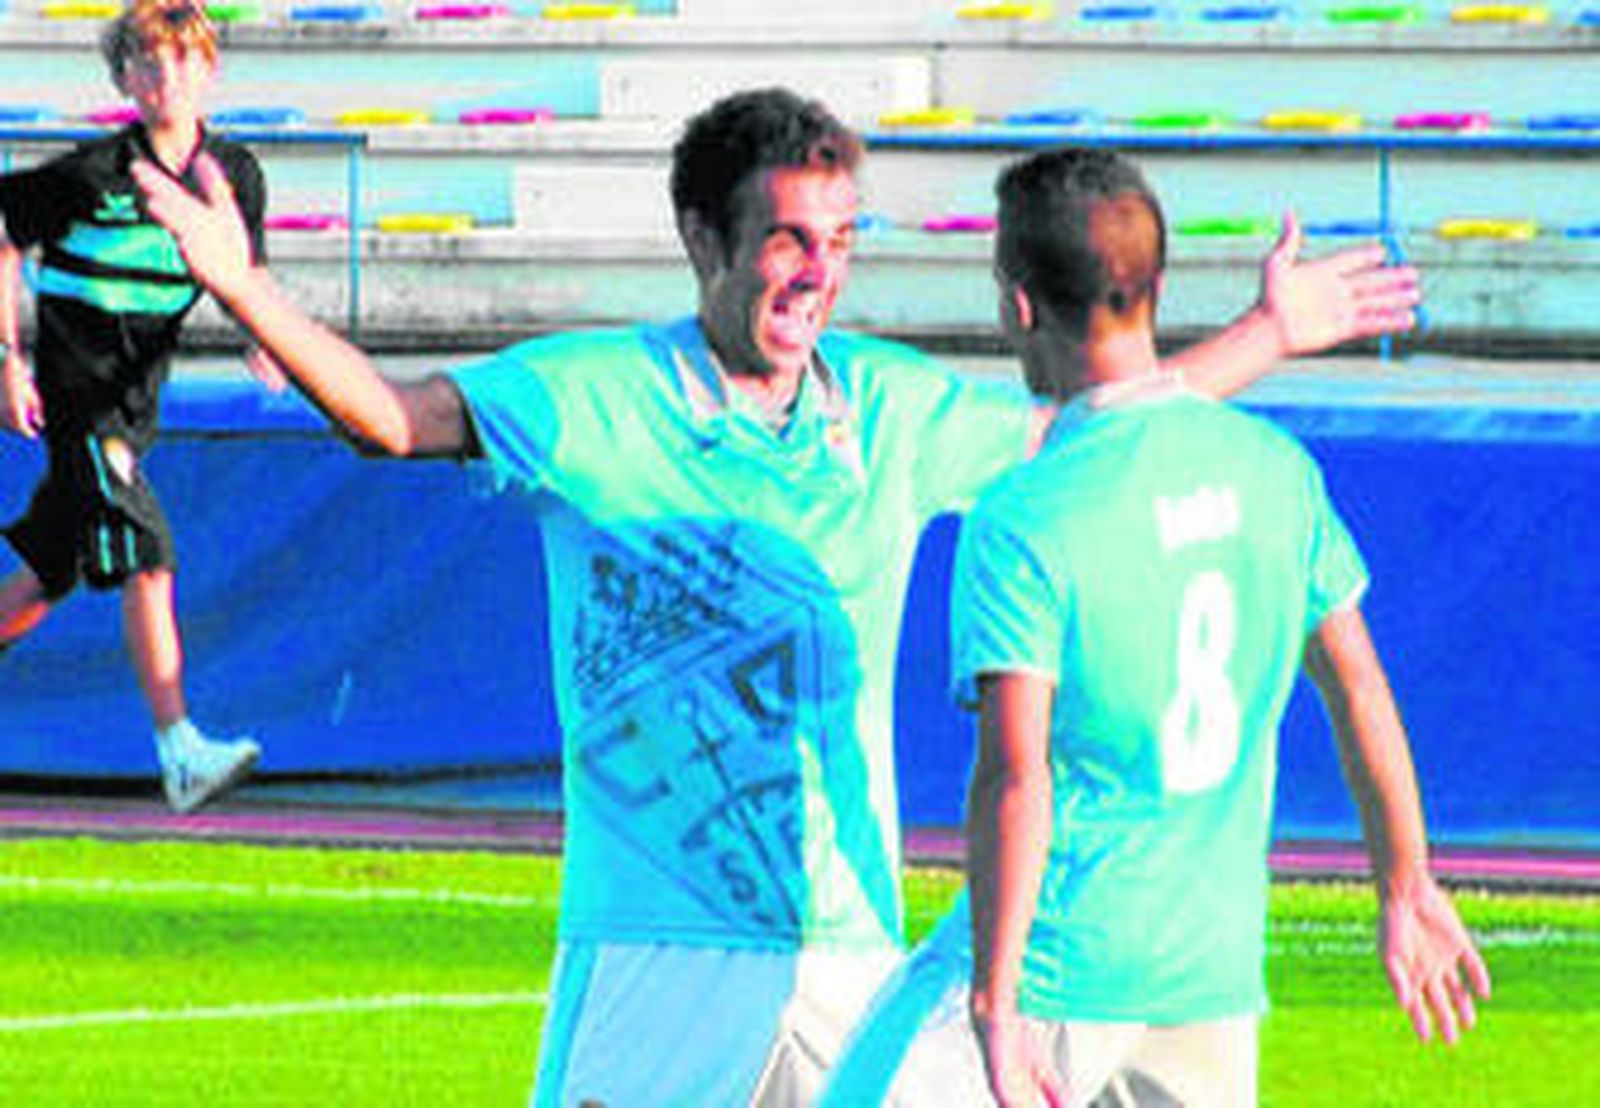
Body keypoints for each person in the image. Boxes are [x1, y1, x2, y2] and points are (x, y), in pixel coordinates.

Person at [133, 89, 1421, 1105]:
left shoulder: (895, 406)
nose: (818, 272)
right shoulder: (593, 394)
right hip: (654, 945)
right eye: (788, 240)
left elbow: (1099, 433)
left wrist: (1269, 335)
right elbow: (394, 420)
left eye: (843, 241)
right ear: (703, 239)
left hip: (850, 942)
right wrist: (244, 283)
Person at [820, 147, 1489, 1108]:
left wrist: (996, 1001)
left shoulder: (1027, 512)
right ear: (1156, 286)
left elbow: (1017, 774)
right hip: (1208, 978)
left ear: (1016, 303)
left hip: (1061, 962)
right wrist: (1406, 882)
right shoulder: (1275, 470)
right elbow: (1357, 684)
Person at [0, 0, 270, 814]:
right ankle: (180, 749)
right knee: (148, 557)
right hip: (83, 412)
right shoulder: (90, 176)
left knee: (45, 580)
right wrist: (8, 360)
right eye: (148, 64)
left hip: (133, 412)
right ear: (123, 79)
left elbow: (243, 274)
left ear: (209, 69)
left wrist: (268, 342)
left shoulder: (235, 174)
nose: (167, 79)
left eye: (182, 61)